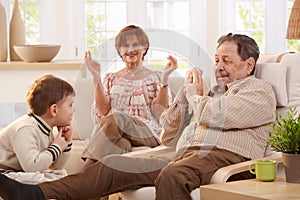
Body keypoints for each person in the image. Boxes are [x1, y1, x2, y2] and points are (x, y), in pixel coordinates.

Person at [0, 33, 277, 200]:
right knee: (113, 164)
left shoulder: (259, 92)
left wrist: (193, 94)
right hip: (185, 156)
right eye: (216, 60)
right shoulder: (212, 92)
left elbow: (218, 118)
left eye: (226, 60)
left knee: (173, 174)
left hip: (224, 159)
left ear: (249, 64)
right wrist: (185, 96)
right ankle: (35, 194)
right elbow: (168, 134)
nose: (218, 66)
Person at [81, 24, 177, 170]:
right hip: (116, 132)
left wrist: (164, 80)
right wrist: (96, 77)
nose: (130, 50)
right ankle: (98, 192)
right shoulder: (110, 78)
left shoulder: (156, 77)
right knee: (120, 145)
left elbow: (160, 113)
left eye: (135, 45)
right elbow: (103, 111)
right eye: (125, 46)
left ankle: (83, 173)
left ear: (145, 48)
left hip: (147, 132)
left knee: (117, 118)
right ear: (119, 51)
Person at [0, 74, 75, 184]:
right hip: (4, 173)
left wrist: (66, 143)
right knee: (36, 178)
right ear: (54, 110)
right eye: (70, 105)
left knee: (61, 174)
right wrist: (57, 146)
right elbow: (32, 167)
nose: (73, 111)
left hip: (22, 171)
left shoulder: (47, 129)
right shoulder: (26, 128)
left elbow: (54, 167)